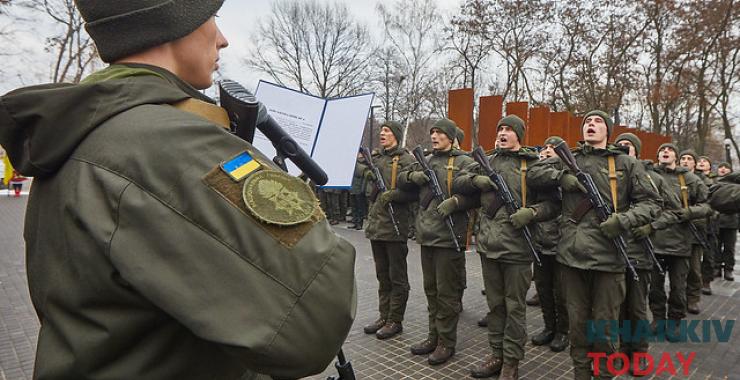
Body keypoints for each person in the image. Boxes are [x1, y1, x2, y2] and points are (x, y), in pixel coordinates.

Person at [0, 1, 356, 379]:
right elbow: (315, 323)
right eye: (211, 18)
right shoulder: (165, 142)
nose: (223, 39)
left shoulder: (85, 129)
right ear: (173, 22)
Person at [527, 110, 660, 380]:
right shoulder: (569, 158)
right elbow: (534, 172)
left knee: (605, 329)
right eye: (587, 121)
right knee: (577, 328)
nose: (591, 124)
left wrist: (623, 220)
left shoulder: (624, 163)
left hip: (609, 259)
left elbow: (652, 203)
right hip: (571, 257)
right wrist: (561, 178)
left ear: (607, 131)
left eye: (598, 122)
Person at [454, 116, 558, 379]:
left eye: (508, 130)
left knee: (515, 308)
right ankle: (496, 355)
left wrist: (531, 213)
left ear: (519, 136)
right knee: (495, 307)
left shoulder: (531, 165)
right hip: (489, 247)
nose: (502, 133)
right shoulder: (485, 161)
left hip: (518, 249)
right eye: (500, 128)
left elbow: (553, 204)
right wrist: (477, 181)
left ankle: (511, 361)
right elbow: (458, 181)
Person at [398, 118, 478, 365]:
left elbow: (477, 197)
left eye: (440, 133)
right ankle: (433, 336)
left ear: (451, 137)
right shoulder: (428, 161)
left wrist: (456, 202)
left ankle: (446, 342)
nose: (434, 136)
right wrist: (414, 176)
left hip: (449, 237)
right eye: (432, 132)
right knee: (431, 291)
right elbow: (402, 179)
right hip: (427, 235)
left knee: (447, 294)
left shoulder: (466, 162)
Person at [634, 143, 708, 341]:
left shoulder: (689, 179)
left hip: (680, 243)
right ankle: (658, 319)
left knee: (678, 286)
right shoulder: (648, 175)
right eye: (661, 150)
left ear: (676, 156)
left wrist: (688, 213)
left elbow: (706, 205)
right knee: (655, 286)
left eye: (670, 150)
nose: (665, 152)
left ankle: (675, 320)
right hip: (654, 241)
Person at [614, 132, 667, 375]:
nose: (624, 149)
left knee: (636, 307)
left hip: (639, 251)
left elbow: (671, 209)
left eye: (629, 146)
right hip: (615, 251)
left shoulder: (652, 177)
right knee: (619, 306)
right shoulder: (613, 175)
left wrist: (651, 225)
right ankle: (624, 348)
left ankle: (640, 352)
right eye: (620, 146)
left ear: (637, 151)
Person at [362, 121, 416, 340]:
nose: (382, 134)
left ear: (395, 135)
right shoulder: (377, 159)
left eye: (386, 131)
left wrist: (395, 195)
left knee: (397, 277)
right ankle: (383, 316)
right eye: (381, 131)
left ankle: (395, 319)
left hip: (395, 226)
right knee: (382, 276)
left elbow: (414, 193)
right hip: (377, 226)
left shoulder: (407, 160)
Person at [529, 136, 568, 353]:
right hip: (540, 241)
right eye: (545, 147)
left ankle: (563, 331)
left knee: (560, 292)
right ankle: (549, 327)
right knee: (543, 288)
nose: (547, 150)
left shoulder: (567, 170)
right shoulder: (540, 172)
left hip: (561, 241)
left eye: (553, 147)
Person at [678, 149, 712, 313]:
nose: (685, 161)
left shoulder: (704, 181)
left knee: (694, 269)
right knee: (677, 270)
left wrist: (693, 214)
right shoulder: (674, 179)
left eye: (689, 159)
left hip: (695, 230)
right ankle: (678, 298)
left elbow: (708, 205)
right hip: (675, 230)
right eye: (682, 158)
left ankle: (693, 299)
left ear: (695, 163)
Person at [715, 162, 737, 281]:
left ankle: (728, 269)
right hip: (716, 221)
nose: (723, 169)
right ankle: (716, 267)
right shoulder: (713, 183)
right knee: (715, 246)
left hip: (731, 222)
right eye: (721, 167)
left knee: (729, 247)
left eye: (726, 167)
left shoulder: (735, 184)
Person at [350, 150, 368, 230]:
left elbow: (363, 178)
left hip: (359, 188)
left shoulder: (363, 165)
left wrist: (362, 189)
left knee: (359, 207)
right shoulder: (353, 164)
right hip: (353, 188)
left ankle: (359, 223)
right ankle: (355, 222)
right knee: (354, 206)